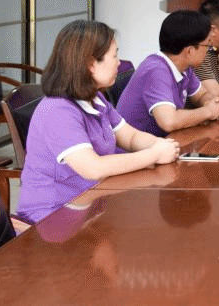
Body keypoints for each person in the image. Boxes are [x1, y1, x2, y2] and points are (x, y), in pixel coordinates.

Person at [17, 21, 180, 225]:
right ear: (90, 64)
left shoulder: (95, 98)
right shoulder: (57, 110)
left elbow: (130, 137)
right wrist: (154, 155)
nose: (119, 63)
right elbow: (93, 168)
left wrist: (159, 145)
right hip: (52, 219)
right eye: (115, 56)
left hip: (91, 205)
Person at [116, 10, 219, 137]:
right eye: (207, 45)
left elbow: (201, 95)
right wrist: (208, 112)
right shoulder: (156, 70)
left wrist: (214, 104)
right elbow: (168, 121)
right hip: (135, 148)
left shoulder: (184, 67)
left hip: (161, 142)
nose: (208, 51)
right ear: (190, 51)